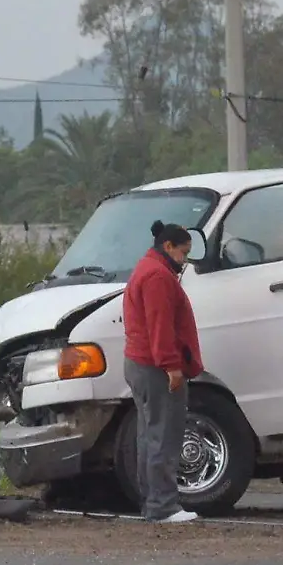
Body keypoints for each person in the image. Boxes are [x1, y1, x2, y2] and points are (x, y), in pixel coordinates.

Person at [122, 220, 204, 524]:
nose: (185, 260)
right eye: (184, 253)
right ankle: (163, 506)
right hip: (156, 367)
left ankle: (152, 502)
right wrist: (172, 366)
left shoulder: (146, 268)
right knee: (164, 436)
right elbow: (161, 327)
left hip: (140, 363)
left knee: (149, 435)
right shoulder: (158, 276)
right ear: (168, 247)